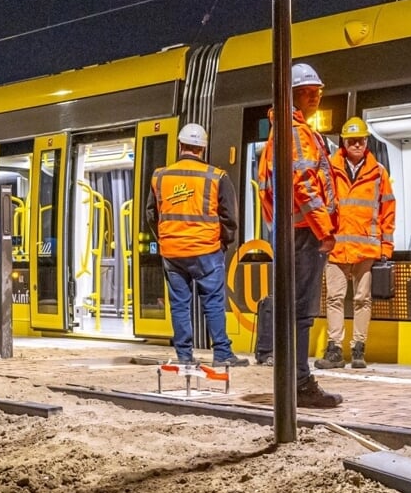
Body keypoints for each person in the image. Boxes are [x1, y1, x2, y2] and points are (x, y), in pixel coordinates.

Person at [253, 62, 342, 407]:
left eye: (317, 91)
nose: (316, 96)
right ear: (297, 94)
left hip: (292, 229)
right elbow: (304, 185)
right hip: (304, 231)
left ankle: (295, 379)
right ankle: (300, 382)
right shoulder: (297, 132)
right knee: (301, 311)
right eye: (311, 91)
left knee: (295, 309)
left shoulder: (284, 131)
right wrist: (325, 230)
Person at [146, 122, 248, 367]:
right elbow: (230, 218)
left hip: (172, 252)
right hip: (206, 250)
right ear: (203, 148)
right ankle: (222, 354)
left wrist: (165, 239)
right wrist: (223, 242)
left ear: (180, 145)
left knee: (180, 305)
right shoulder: (216, 176)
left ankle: (184, 356)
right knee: (213, 302)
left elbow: (151, 214)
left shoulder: (160, 176)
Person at [316, 117, 394, 370]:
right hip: (336, 247)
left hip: (366, 249)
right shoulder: (329, 168)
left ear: (367, 142)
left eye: (361, 140)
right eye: (352, 140)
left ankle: (359, 349)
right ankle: (335, 349)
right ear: (344, 142)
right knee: (334, 299)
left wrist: (386, 247)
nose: (357, 144)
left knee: (362, 299)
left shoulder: (379, 172)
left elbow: (388, 211)